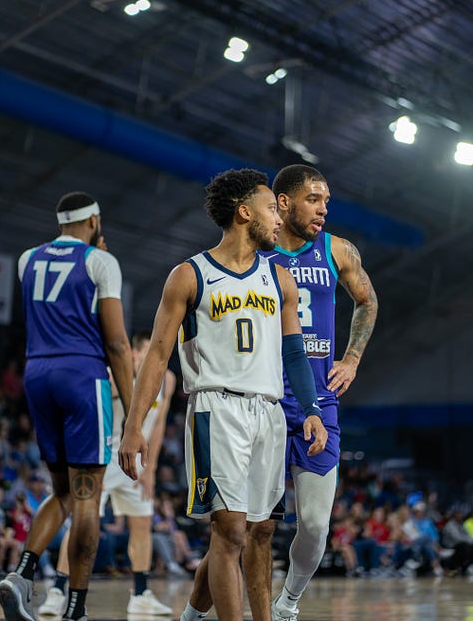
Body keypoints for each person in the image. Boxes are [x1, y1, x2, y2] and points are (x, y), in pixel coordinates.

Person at [119, 168, 328, 621]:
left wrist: (311, 409)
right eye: (273, 208)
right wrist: (133, 426)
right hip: (216, 408)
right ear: (244, 212)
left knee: (260, 533)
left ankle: (198, 618)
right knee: (229, 531)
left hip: (269, 412)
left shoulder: (280, 279)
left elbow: (295, 354)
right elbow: (156, 356)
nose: (279, 218)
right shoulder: (189, 275)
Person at [0, 192, 133, 621]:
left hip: (37, 374)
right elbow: (115, 341)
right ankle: (76, 606)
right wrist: (133, 413)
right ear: (94, 219)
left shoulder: (26, 259)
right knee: (87, 497)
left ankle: (21, 573)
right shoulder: (100, 262)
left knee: (61, 491)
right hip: (81, 376)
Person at [264, 164, 378, 620]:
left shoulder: (338, 250)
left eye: (326, 200)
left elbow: (368, 300)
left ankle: (288, 602)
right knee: (250, 526)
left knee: (313, 523)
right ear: (285, 202)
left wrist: (351, 358)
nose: (323, 209)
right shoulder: (258, 249)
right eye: (314, 199)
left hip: (319, 401)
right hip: (264, 398)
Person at [38, 331, 175, 618]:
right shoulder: (115, 376)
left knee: (142, 524)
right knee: (83, 524)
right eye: (146, 352)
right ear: (134, 354)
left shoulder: (168, 380)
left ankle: (140, 594)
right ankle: (57, 591)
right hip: (105, 454)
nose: (152, 357)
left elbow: (159, 425)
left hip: (136, 461)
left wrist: (150, 469)